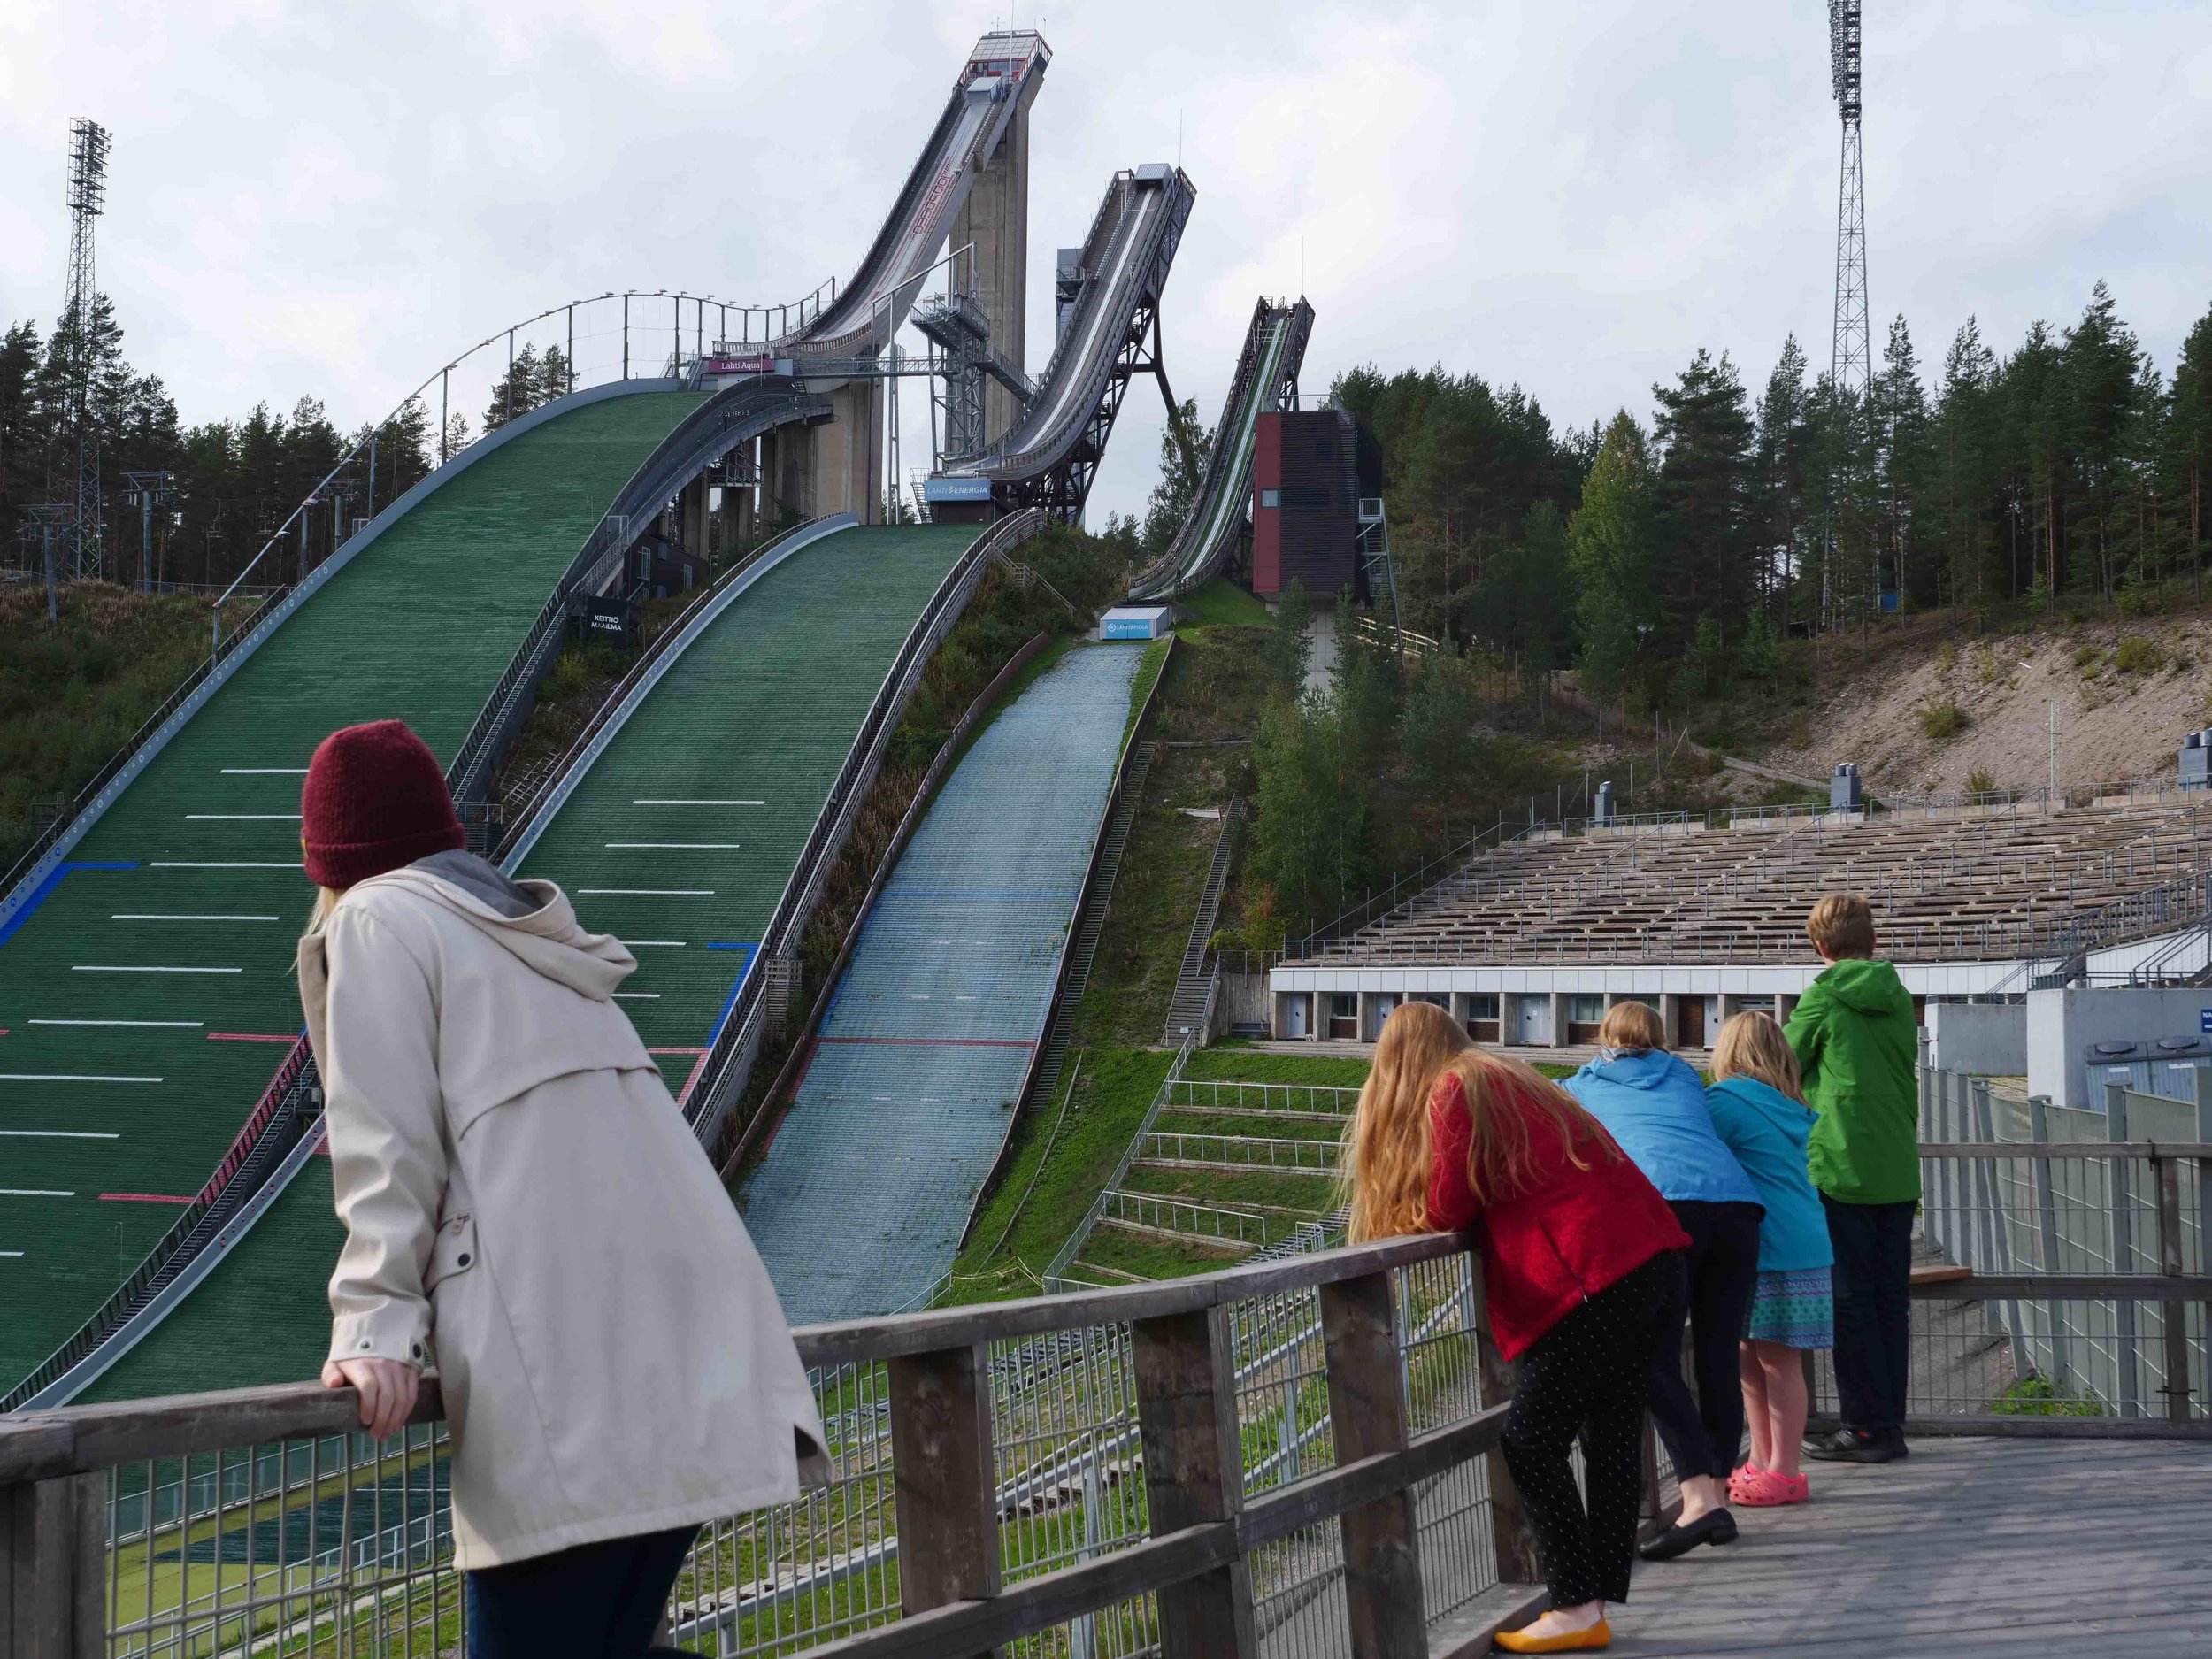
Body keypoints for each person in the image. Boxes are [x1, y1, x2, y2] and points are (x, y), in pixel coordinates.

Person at [300, 719, 827, 1659]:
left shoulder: (379, 920)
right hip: (689, 1359)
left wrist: (374, 1328)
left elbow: (388, 1142)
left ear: (332, 864)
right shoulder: (527, 944)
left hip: (569, 1384)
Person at [1343, 1002, 1687, 1655]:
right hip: (1650, 1258)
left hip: (1597, 1272)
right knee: (1610, 1429)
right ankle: (1594, 1599)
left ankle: (1575, 1602)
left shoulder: (1453, 1087)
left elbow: (1450, 1204)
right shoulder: (1505, 1073)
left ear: (1399, 1059)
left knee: (1529, 1440)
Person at [1562, 1002, 1762, 1563]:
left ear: (1603, 1037)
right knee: (1720, 1353)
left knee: (1650, 1356)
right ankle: (1718, 1493)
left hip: (1667, 1212)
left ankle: (1698, 1500)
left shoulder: (1582, 1083)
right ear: (1661, 1037)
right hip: (1737, 1208)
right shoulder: (1681, 1075)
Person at [1786, 893, 1920, 1464]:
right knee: (1892, 1302)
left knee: (1851, 1303)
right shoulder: (1897, 996)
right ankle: (1888, 1424)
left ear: (1820, 946)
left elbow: (1782, 1061)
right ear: (1874, 940)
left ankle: (1864, 1427)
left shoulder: (1822, 995)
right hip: (1896, 1167)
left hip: (1841, 1166)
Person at [1704, 1013, 1833, 1506]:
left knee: (1770, 1363)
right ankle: (1764, 1461)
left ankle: (1785, 1471)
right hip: (1800, 1242)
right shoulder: (1787, 1103)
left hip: (1767, 1246)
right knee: (1759, 1361)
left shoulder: (1724, 1103)